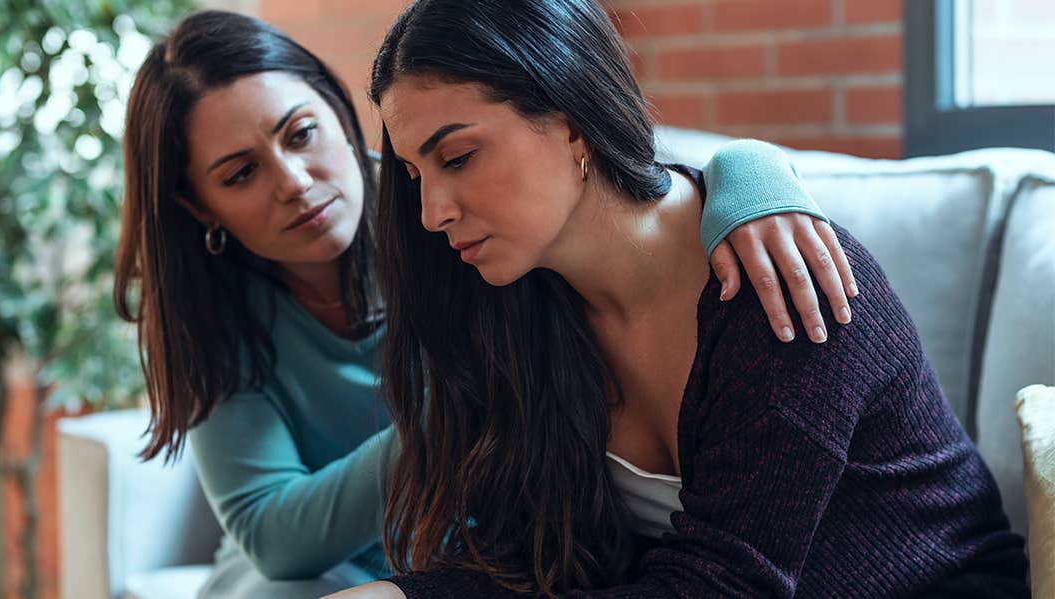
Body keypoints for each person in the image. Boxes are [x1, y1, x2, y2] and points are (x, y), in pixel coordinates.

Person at [113, 9, 862, 598]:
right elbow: (275, 540)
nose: (297, 182)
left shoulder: (468, 215)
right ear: (198, 205)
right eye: (241, 172)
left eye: (302, 133)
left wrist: (754, 174)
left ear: (338, 112)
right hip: (351, 567)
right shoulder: (225, 312)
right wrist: (461, 407)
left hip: (473, 549)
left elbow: (618, 167)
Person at [327, 0, 1031, 597]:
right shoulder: (523, 310)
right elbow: (543, 567)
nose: (432, 212)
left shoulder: (781, 284)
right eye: (417, 174)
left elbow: (723, 582)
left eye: (458, 157)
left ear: (571, 117)